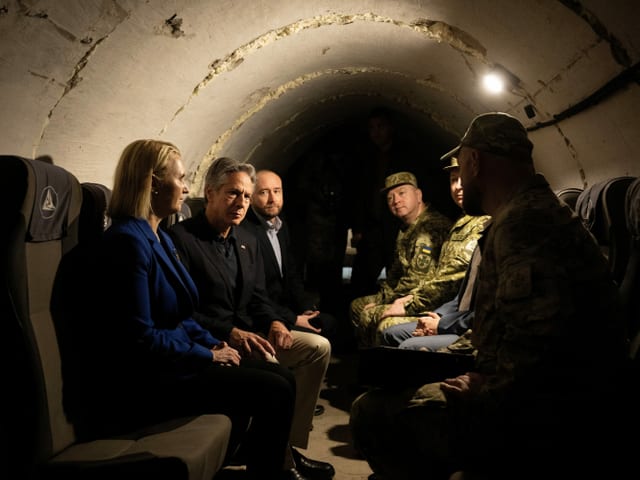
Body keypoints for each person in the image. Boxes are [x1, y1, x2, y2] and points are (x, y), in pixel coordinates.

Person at [350, 112, 629, 479]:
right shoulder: (526, 213)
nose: (460, 179)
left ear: (476, 162)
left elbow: (537, 356)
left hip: (552, 412)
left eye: (462, 166)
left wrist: (478, 385)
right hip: (548, 392)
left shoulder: (524, 224)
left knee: (372, 412)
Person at [85, 139, 300, 480]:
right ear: (151, 183)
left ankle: (269, 465)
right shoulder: (128, 242)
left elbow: (182, 316)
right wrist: (207, 355)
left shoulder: (160, 238)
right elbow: (140, 337)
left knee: (283, 378)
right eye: (180, 179)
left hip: (180, 359)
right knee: (274, 388)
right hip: (155, 378)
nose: (186, 188)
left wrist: (213, 343)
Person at [169, 157, 334, 480]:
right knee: (274, 372)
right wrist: (230, 333)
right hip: (216, 339)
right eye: (233, 194)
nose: (241, 203)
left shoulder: (247, 239)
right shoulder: (183, 239)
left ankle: (290, 444)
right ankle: (281, 463)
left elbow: (259, 297)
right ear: (210, 193)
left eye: (246, 196)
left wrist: (274, 322)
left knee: (318, 348)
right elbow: (184, 311)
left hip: (252, 332)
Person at [376, 156, 490, 350]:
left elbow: (450, 279)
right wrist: (439, 316)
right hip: (451, 310)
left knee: (389, 326)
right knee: (385, 327)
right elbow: (461, 291)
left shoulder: (484, 224)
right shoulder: (463, 222)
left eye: (463, 178)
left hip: (470, 322)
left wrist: (417, 309)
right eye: (453, 180)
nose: (458, 186)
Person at [350, 171, 452, 348]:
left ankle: (377, 366)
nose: (396, 200)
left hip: (424, 300)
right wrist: (382, 297)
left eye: (402, 193)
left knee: (370, 315)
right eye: (390, 198)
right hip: (404, 295)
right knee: (358, 306)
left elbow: (415, 280)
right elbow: (395, 273)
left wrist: (382, 302)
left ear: (418, 195)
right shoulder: (407, 228)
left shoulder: (431, 226)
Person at [243, 169, 339, 345]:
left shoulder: (280, 225)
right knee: (319, 338)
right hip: (264, 316)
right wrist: (294, 318)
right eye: (264, 192)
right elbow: (255, 294)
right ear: (250, 196)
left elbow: (292, 274)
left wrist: (306, 309)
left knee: (328, 322)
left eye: (277, 191)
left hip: (286, 309)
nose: (272, 199)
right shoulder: (246, 232)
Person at [349, 107, 423, 299]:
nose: (376, 132)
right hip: (371, 227)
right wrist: (357, 227)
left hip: (396, 227)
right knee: (360, 281)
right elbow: (359, 194)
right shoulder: (366, 157)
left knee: (396, 275)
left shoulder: (406, 155)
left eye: (380, 126)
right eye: (372, 128)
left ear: (391, 127)